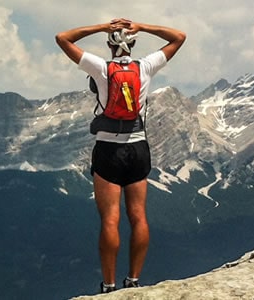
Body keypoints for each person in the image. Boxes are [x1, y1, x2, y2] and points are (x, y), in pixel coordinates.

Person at [55, 18, 185, 294]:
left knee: (110, 220)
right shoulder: (145, 66)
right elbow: (178, 37)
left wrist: (100, 26)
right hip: (138, 147)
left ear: (109, 45)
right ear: (133, 43)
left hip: (108, 149)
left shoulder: (101, 68)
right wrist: (143, 26)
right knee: (138, 216)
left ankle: (109, 286)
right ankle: (134, 281)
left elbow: (62, 37)